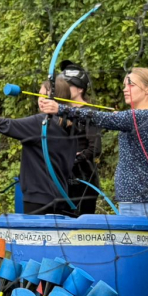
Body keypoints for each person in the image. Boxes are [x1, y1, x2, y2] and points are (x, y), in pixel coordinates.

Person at [42, 68, 148, 218]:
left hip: (137, 201)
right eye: (125, 85)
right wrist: (122, 119)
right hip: (140, 199)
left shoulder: (143, 116)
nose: (125, 89)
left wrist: (60, 109)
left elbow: (102, 118)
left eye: (131, 85)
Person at [0, 79, 77, 216]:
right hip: (61, 197)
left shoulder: (42, 123)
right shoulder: (72, 124)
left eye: (45, 96)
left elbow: (6, 124)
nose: (40, 99)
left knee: (36, 237)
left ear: (56, 99)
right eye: (39, 95)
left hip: (38, 198)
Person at [59, 61, 103, 215]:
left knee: (82, 226)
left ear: (80, 89)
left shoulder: (89, 112)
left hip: (83, 180)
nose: (62, 89)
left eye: (67, 86)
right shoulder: (60, 111)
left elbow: (95, 148)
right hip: (63, 177)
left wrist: (75, 158)